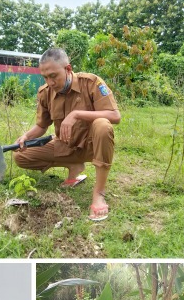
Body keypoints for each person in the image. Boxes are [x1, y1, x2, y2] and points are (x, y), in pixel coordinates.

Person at [13, 46, 122, 224]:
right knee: (21, 156)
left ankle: (99, 194)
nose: (50, 82)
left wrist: (77, 114)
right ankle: (74, 165)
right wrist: (26, 136)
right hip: (66, 146)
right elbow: (42, 126)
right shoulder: (45, 93)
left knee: (103, 125)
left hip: (92, 147)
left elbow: (115, 116)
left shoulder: (91, 83)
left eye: (53, 76)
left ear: (68, 69)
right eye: (45, 77)